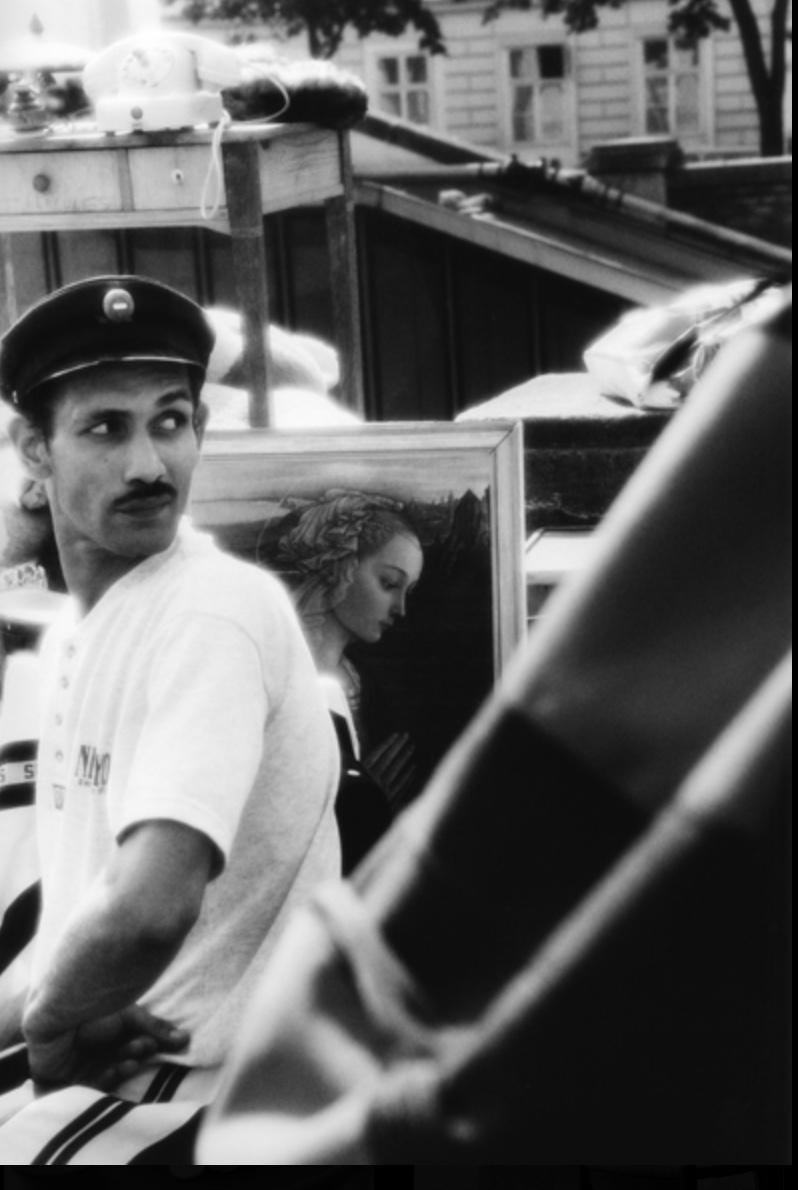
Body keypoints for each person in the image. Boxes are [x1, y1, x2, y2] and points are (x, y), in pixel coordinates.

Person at [0, 274, 341, 1162]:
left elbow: (149, 911)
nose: (151, 465)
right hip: (131, 1073)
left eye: (171, 420)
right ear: (33, 450)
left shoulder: (211, 610)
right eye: (105, 429)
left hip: (215, 1096)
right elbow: (66, 949)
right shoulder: (88, 630)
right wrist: (44, 1015)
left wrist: (48, 1025)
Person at [262, 492, 424, 871]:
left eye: (409, 591)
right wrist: (361, 802)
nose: (401, 608)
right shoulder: (272, 674)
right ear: (340, 566)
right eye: (389, 583)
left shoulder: (367, 683)